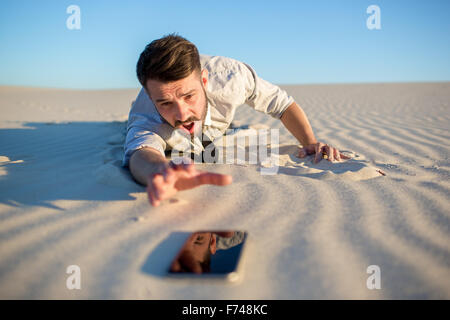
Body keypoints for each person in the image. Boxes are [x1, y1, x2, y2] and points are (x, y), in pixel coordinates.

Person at [124, 34, 349, 206]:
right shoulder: (146, 113)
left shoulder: (232, 78)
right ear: (151, 97)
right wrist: (159, 171)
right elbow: (141, 152)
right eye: (165, 103)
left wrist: (310, 142)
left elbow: (282, 105)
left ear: (204, 80)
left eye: (189, 96)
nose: (182, 114)